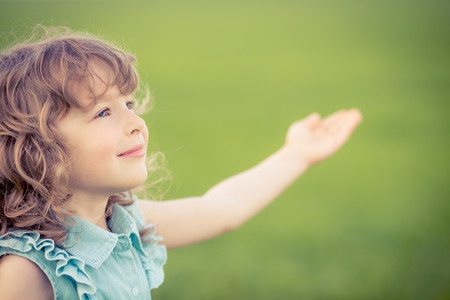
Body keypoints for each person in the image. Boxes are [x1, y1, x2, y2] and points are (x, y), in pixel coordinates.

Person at [0, 26, 362, 300]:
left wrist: (296, 153)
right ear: (36, 147)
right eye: (103, 112)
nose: (135, 123)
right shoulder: (27, 272)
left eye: (129, 105)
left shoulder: (127, 224)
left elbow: (220, 210)